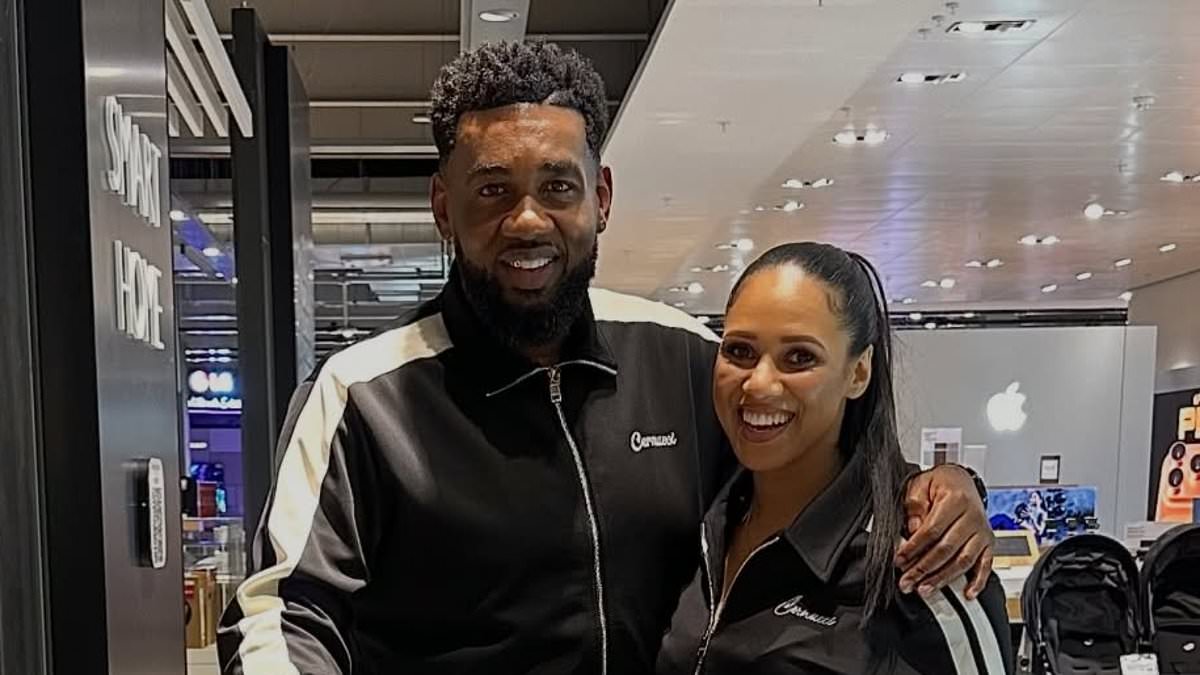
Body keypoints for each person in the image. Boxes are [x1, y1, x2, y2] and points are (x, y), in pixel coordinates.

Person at [218, 41, 995, 674]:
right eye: (492, 190)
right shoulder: (365, 397)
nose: (528, 220)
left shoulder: (682, 358)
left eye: (558, 186)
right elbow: (282, 612)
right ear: (443, 206)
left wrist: (941, 486)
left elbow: (820, 457)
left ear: (602, 197)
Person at [657, 243, 1012, 674]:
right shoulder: (707, 517)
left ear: (858, 372)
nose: (759, 383)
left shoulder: (924, 561)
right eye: (740, 351)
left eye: (799, 357)